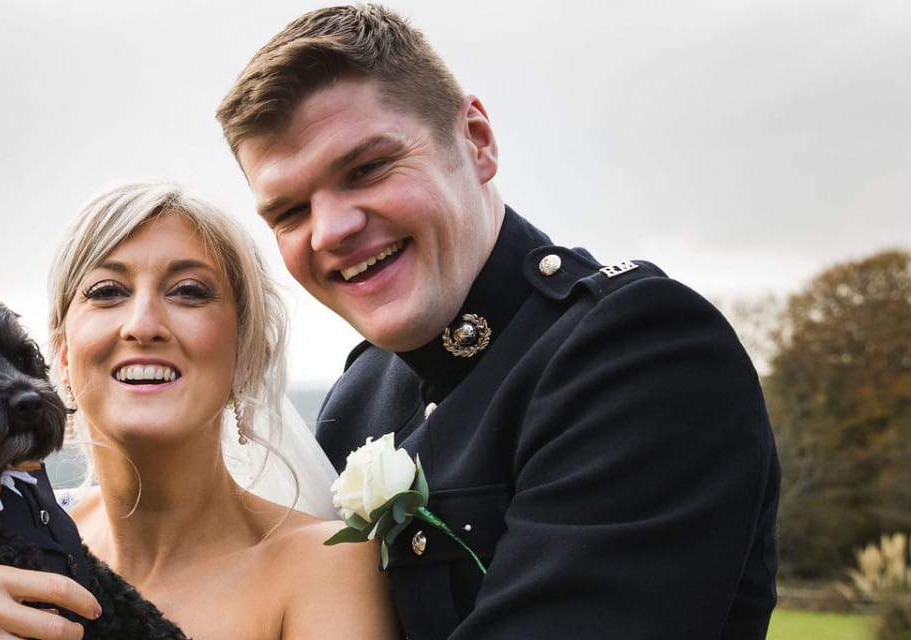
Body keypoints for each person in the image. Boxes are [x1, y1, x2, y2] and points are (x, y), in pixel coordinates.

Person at [215, 5, 781, 639]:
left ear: (477, 141)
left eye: (367, 169)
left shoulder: (641, 352)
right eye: (290, 213)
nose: (330, 231)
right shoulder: (360, 394)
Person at [0, 180, 398, 640]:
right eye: (106, 292)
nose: (143, 324)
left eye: (189, 291)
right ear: (60, 355)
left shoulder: (327, 564)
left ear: (246, 351)